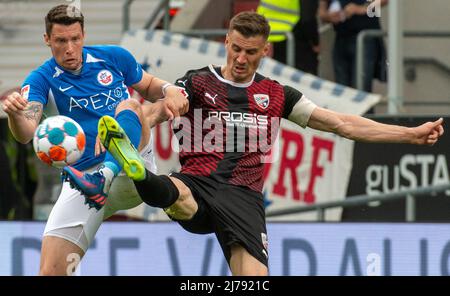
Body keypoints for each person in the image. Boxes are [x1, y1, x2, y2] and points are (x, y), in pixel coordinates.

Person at [68, 11, 444, 276]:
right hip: (198, 182)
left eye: (251, 52)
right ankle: (137, 169)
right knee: (179, 197)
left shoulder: (277, 94)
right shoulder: (198, 82)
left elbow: (341, 123)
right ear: (226, 42)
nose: (241, 58)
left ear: (265, 51)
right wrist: (147, 115)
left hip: (245, 200)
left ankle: (141, 174)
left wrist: (408, 134)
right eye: (235, 49)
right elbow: (159, 109)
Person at [1, 4, 188, 275]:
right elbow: (27, 131)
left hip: (133, 170)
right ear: (47, 40)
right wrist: (15, 115)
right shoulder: (41, 79)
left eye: (75, 39)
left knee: (130, 107)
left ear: (84, 35)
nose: (69, 48)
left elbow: (148, 86)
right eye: (61, 41)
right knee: (51, 271)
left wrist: (170, 89)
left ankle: (107, 172)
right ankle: (99, 180)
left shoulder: (112, 57)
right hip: (84, 182)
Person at [319, 0, 388, 92]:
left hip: (364, 37)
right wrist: (328, 16)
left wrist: (360, 9)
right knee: (341, 89)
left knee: (361, 87)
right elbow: (322, 11)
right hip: (341, 37)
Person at [258, 0, 320, 75]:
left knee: (277, 74)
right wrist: (315, 42)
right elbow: (307, 18)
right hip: (294, 37)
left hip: (268, 32)